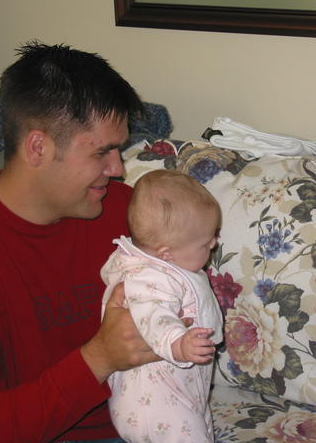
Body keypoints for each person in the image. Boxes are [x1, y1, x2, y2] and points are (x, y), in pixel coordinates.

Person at [0, 42, 158, 442]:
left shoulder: (129, 212)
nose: (118, 169)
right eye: (102, 152)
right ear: (38, 147)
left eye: (119, 149)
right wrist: (99, 358)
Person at [101, 169, 223, 443]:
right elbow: (153, 316)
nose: (215, 243)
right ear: (166, 253)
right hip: (154, 404)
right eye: (206, 243)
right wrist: (177, 343)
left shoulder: (171, 266)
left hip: (182, 392)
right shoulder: (147, 278)